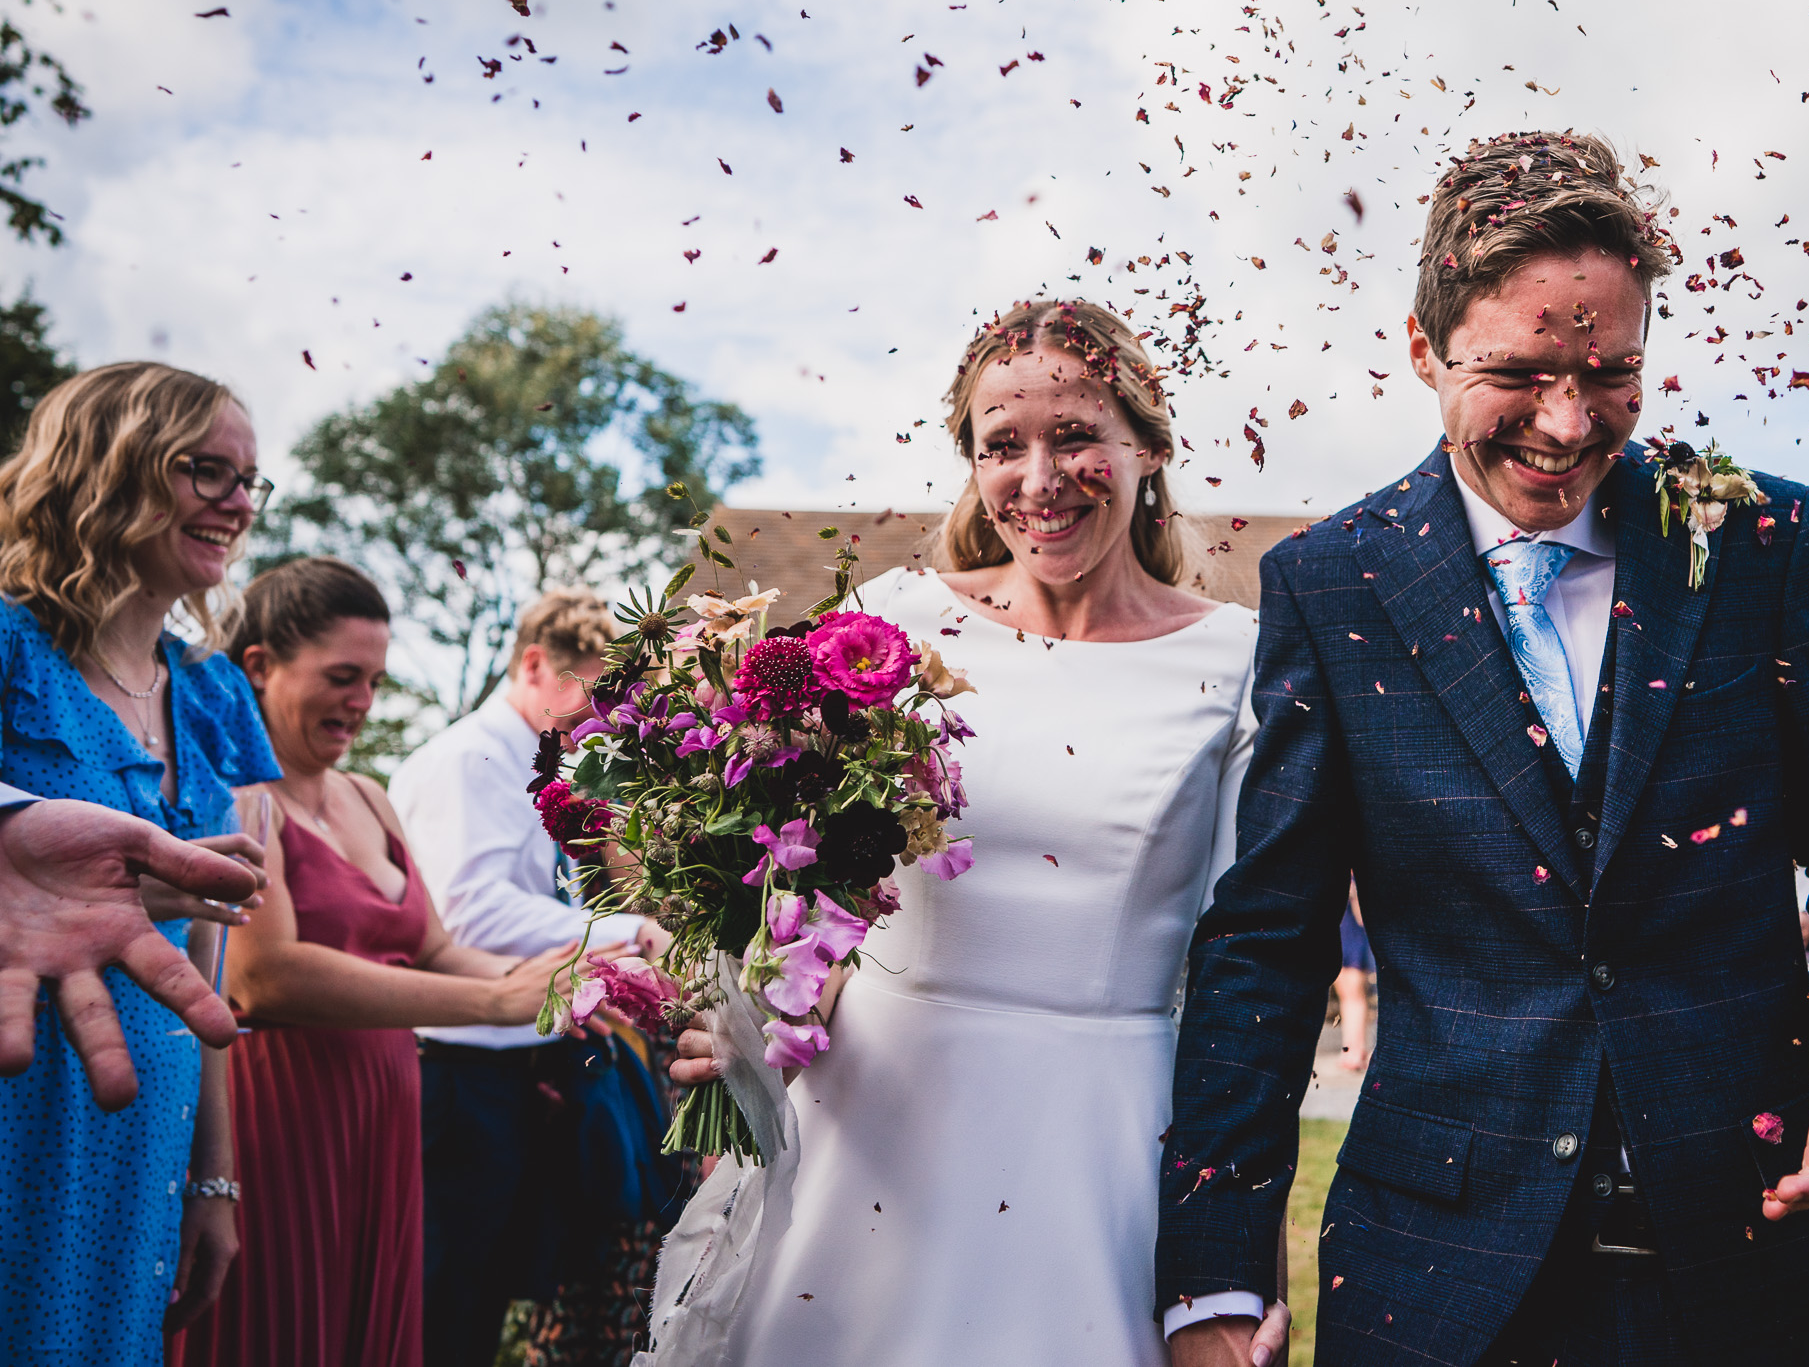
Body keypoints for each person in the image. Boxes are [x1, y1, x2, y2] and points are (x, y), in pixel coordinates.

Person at [1159, 131, 1809, 1367]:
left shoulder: (1759, 536)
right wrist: (1212, 1269)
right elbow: (1270, 934)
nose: (1570, 422)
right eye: (1521, 371)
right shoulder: (1331, 583)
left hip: (1760, 1239)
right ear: (1423, 348)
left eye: (1612, 371)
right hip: (1442, 1265)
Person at [664, 297, 1287, 1366]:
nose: (1039, 479)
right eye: (1004, 444)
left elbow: (1257, 972)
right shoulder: (896, 623)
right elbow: (796, 870)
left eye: (1077, 435)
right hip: (872, 1114)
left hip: (1100, 1123)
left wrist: (1227, 1270)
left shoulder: (1240, 659)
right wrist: (747, 1003)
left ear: (1147, 444)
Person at [184, 557, 578, 1367]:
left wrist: (566, 979)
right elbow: (268, 975)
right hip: (286, 1116)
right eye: (340, 677)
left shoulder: (367, 795)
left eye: (373, 680)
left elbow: (433, 943)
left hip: (385, 1117)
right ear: (260, 666)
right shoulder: (237, 797)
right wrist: (499, 1003)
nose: (361, 702)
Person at [0, 362, 287, 1365]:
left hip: (149, 1114)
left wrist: (214, 1175)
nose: (240, 503)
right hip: (19, 1090)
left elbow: (207, 955)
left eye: (252, 480)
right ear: (106, 468)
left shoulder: (212, 694)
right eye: (207, 470)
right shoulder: (6, 645)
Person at [391, 588, 660, 1367]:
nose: (605, 717)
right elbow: (468, 917)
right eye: (595, 693)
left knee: (482, 1303)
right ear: (536, 662)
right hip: (456, 1075)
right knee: (445, 1304)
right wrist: (630, 935)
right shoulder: (471, 759)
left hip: (507, 1071)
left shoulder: (528, 759)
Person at [0, 788, 264, 1106]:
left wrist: (215, 1141)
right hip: (42, 1078)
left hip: (171, 1081)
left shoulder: (215, 743)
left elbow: (208, 947)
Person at [1335, 882, 1374, 1075]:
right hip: (1342, 931)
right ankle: (1351, 1048)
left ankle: (1356, 1050)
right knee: (1346, 993)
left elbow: (1361, 915)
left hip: (1353, 935)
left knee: (1353, 992)